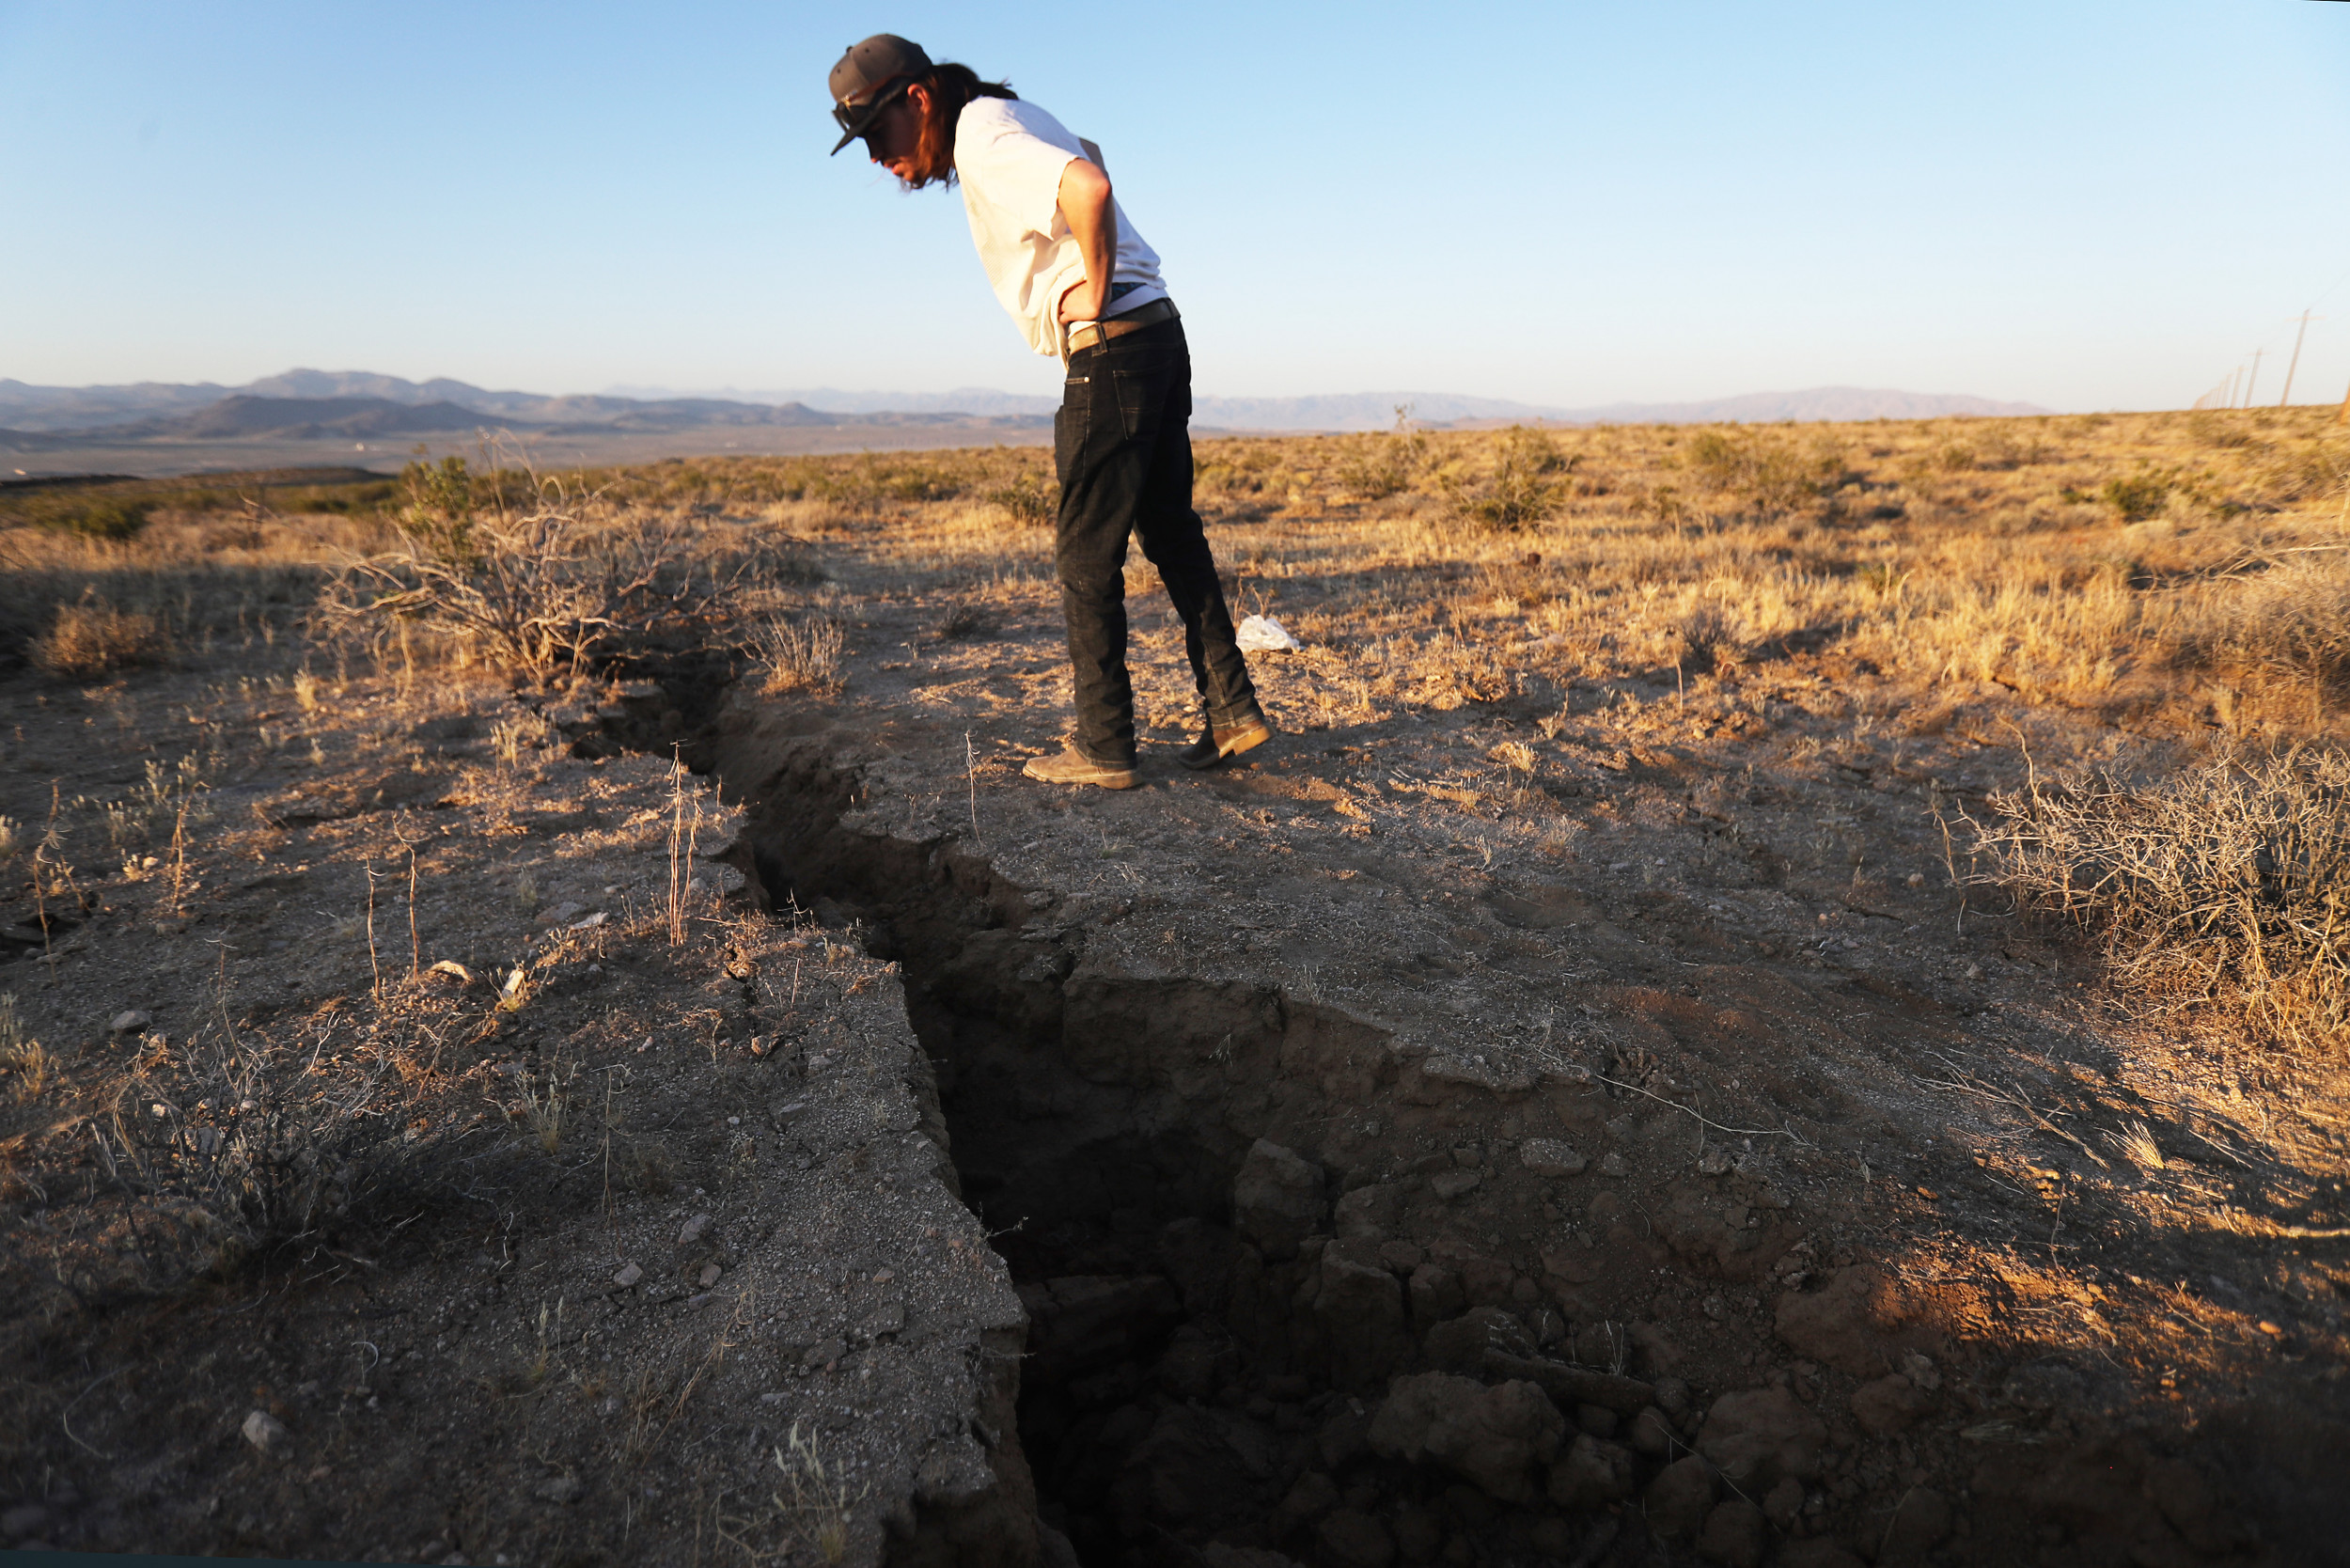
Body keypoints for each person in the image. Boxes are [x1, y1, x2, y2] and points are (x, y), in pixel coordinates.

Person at [826, 33, 1272, 791]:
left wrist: (1091, 296)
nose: (876, 159)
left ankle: (1105, 746)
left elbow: (1088, 185)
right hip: (1158, 329)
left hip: (1114, 349)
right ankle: (1231, 712)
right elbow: (1088, 154)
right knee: (1169, 529)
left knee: (1084, 553)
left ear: (920, 98)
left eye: (877, 134)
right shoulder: (1013, 113)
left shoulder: (982, 133)